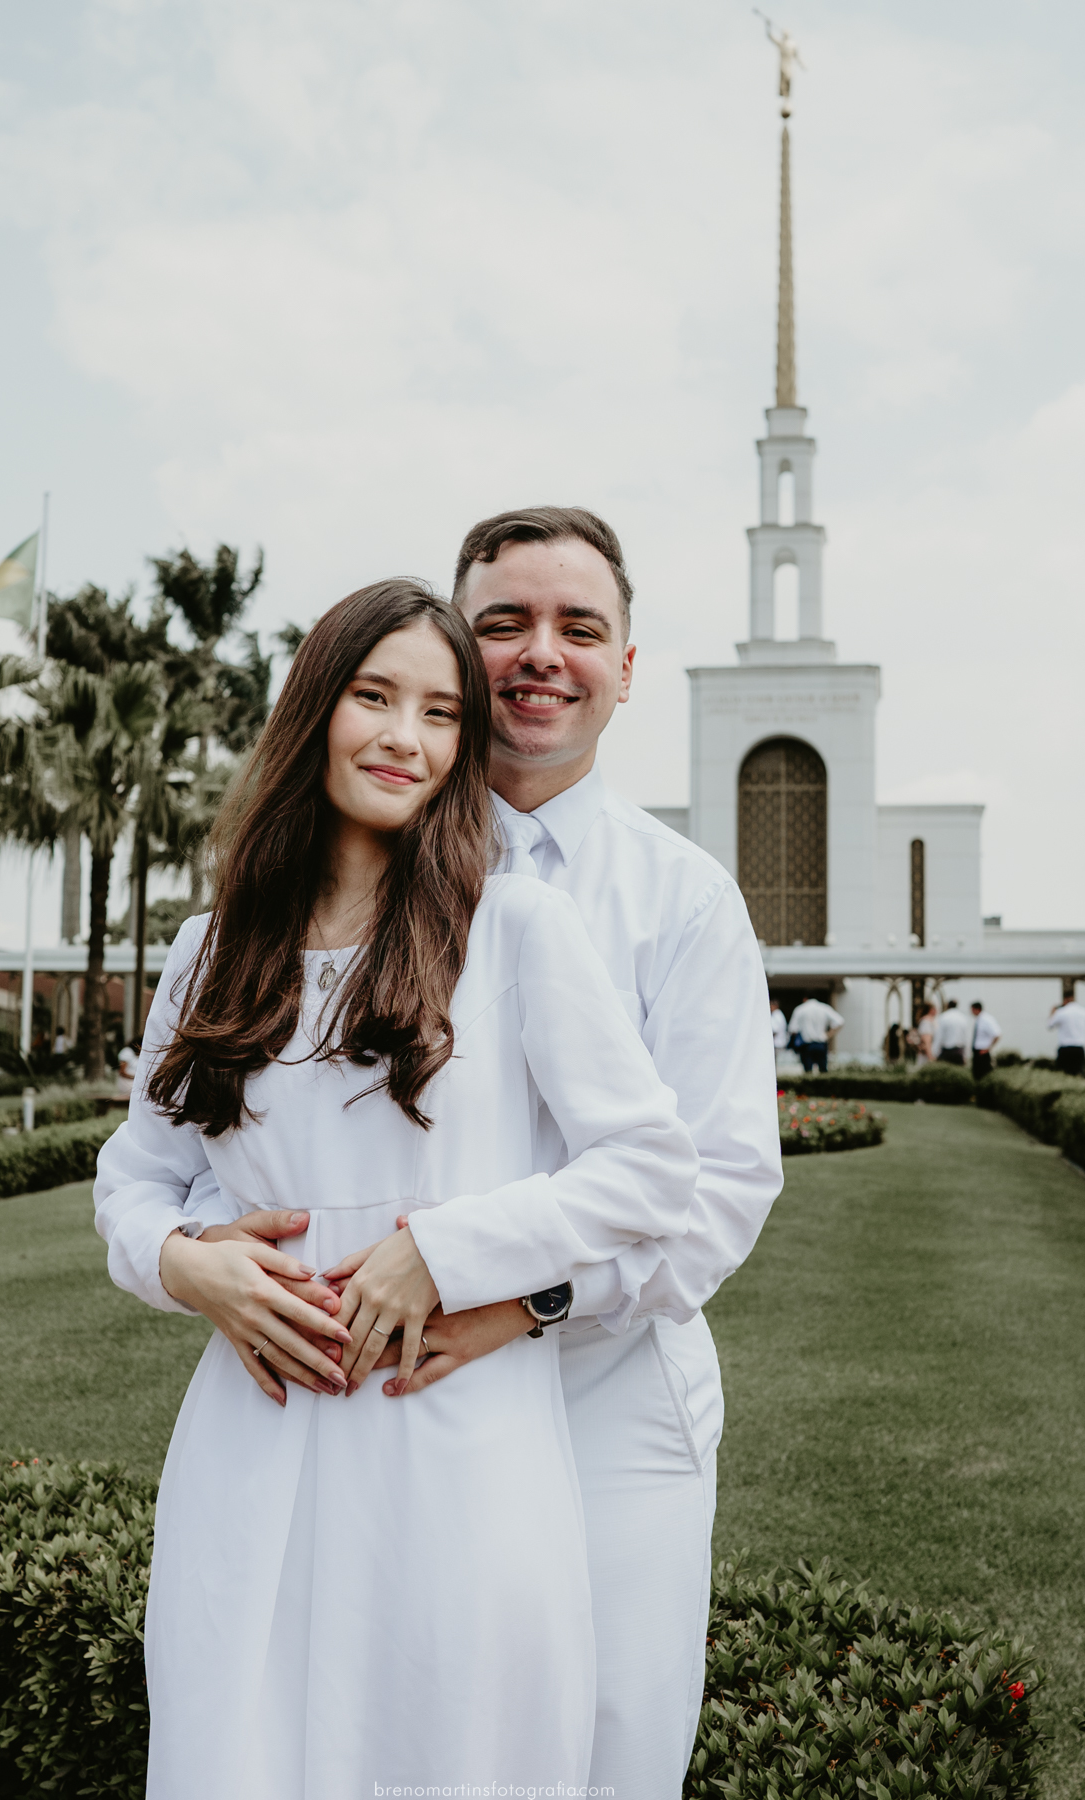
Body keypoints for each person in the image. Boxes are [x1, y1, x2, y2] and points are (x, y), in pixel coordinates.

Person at [99, 508, 783, 1798]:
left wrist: (493, 1287)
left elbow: (701, 1179)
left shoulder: (635, 904)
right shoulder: (220, 943)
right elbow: (151, 1170)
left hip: (568, 1395)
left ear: (626, 665)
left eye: (579, 628)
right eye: (504, 626)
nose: (540, 654)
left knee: (567, 1740)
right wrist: (185, 1259)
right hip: (279, 1410)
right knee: (250, 1734)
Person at [787, 991, 843, 1073]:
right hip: (821, 1043)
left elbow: (792, 1029)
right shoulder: (824, 1008)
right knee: (823, 1070)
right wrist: (828, 1034)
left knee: (808, 1071)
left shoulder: (800, 1009)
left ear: (805, 999)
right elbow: (840, 1021)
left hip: (806, 1044)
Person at [1048, 993, 1085, 1077]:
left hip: (1065, 1048)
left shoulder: (1061, 1012)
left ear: (1065, 999)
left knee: (1063, 1074)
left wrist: (1052, 1013)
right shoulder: (1084, 1012)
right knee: (1078, 1074)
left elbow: (1049, 1025)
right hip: (1079, 1048)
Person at [969, 1001, 1000, 1080]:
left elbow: (997, 1034)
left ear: (977, 1009)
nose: (971, 1012)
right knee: (976, 1075)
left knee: (983, 1075)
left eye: (972, 1010)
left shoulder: (986, 1019)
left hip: (982, 1052)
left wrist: (988, 1048)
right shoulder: (979, 1019)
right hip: (977, 1051)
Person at [934, 999, 968, 1066]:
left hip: (946, 1051)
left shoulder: (943, 1017)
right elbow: (965, 1037)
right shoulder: (963, 1017)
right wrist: (965, 1055)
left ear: (948, 1005)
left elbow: (939, 1036)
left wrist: (935, 1052)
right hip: (959, 1051)